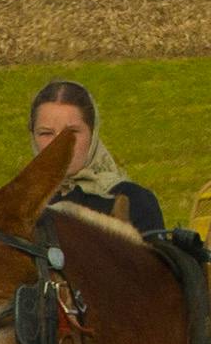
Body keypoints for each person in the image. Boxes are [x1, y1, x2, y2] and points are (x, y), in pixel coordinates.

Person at [27, 79, 165, 233]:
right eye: (46, 133)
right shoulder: (22, 206)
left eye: (72, 132)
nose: (59, 145)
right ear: (33, 137)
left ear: (92, 135)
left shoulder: (135, 200)